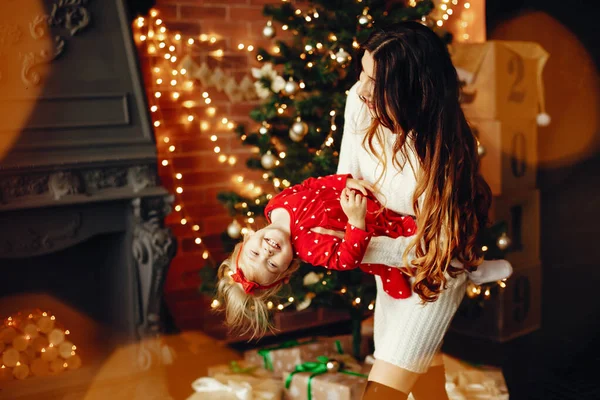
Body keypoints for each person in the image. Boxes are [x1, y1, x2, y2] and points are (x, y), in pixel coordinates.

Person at [315, 21, 508, 399]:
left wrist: (360, 246)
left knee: (383, 392)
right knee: (427, 388)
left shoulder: (443, 154)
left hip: (433, 280)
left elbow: (436, 251)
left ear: (410, 88)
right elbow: (344, 179)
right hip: (391, 277)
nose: (364, 89)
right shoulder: (359, 99)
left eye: (378, 82)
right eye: (364, 72)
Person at [216, 172, 511, 340]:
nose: (267, 252)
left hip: (369, 198)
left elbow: (312, 186)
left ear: (248, 237)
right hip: (377, 225)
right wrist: (356, 222)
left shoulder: (276, 204)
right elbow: (347, 259)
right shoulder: (308, 248)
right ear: (284, 271)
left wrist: (343, 182)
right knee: (432, 244)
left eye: (255, 252)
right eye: (270, 264)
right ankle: (473, 269)